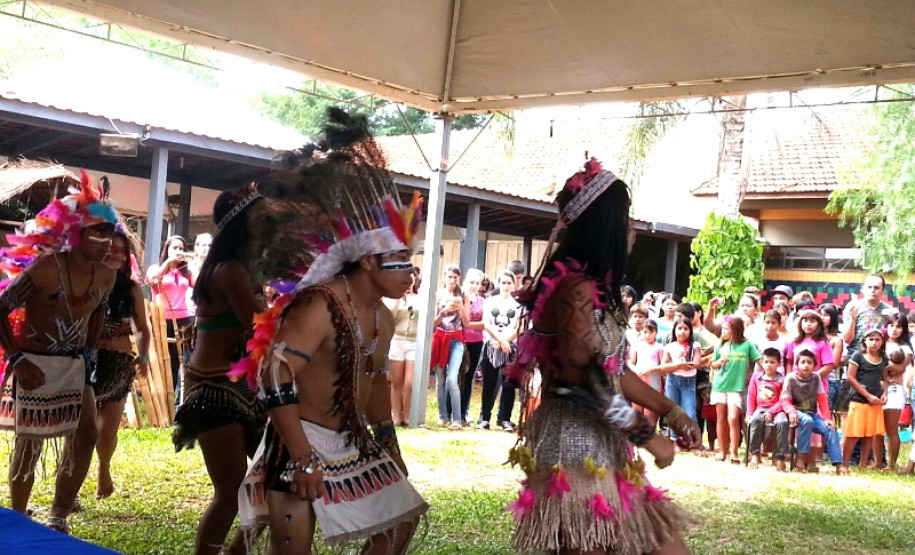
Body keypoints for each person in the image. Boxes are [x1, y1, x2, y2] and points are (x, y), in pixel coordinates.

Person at [235, 110, 427, 553]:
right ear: (366, 260)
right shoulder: (319, 305)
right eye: (400, 261)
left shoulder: (383, 315)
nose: (410, 274)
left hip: (353, 441)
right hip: (298, 440)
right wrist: (302, 455)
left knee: (399, 522)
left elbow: (376, 379)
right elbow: (274, 375)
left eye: (411, 263)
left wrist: (387, 441)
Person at [504, 159, 697, 554]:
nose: (633, 229)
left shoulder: (592, 291)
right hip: (574, 448)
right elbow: (577, 383)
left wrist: (672, 412)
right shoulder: (574, 291)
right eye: (625, 219)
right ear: (603, 227)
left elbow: (613, 372)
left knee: (667, 547)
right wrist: (648, 436)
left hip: (604, 443)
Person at [0, 167, 118, 534]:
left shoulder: (108, 275)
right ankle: (19, 518)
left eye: (110, 231)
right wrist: (17, 360)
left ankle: (59, 515)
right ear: (75, 233)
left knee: (87, 434)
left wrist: (90, 352)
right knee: (29, 445)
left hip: (73, 364)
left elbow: (97, 311)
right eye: (99, 231)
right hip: (33, 363)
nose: (108, 240)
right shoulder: (44, 269)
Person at [173, 184, 270, 555]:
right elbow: (259, 323)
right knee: (231, 494)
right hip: (214, 391)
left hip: (245, 388)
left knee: (273, 483)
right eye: (260, 218)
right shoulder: (227, 270)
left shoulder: (243, 267)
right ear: (241, 224)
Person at [92, 230, 151, 500]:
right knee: (82, 428)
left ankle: (103, 469)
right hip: (87, 361)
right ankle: (71, 480)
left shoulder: (130, 288)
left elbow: (142, 328)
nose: (115, 253)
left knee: (108, 429)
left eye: (120, 249)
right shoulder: (86, 280)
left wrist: (145, 354)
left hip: (118, 363)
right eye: (110, 247)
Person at [146, 235, 195, 402]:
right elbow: (153, 281)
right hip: (161, 319)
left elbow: (201, 284)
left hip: (183, 318)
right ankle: (162, 399)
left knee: (181, 360)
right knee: (163, 360)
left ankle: (178, 399)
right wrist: (168, 262)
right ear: (166, 249)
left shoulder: (187, 273)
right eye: (174, 248)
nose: (178, 251)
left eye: (181, 248)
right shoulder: (155, 268)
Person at [782, 350, 848, 474]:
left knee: (830, 429)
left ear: (814, 365)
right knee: (807, 421)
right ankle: (800, 458)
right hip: (796, 412)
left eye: (809, 363)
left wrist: (827, 418)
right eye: (803, 362)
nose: (806, 365)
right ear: (797, 364)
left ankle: (839, 464)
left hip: (811, 414)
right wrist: (791, 412)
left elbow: (822, 399)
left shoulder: (816, 377)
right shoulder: (790, 378)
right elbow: (784, 399)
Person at [476, 270, 523, 431]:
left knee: (508, 384)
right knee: (489, 382)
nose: (506, 286)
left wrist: (506, 341)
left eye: (509, 282)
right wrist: (499, 340)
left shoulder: (518, 304)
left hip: (510, 347)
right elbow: (487, 323)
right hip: (492, 345)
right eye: (503, 282)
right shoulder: (490, 302)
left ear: (513, 284)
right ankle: (484, 418)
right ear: (499, 283)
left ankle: (505, 419)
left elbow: (519, 327)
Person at [709, 316, 760, 463]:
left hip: (736, 388)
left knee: (733, 418)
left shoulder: (747, 345)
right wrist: (719, 362)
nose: (723, 331)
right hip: (719, 386)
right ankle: (722, 450)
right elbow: (712, 364)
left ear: (736, 330)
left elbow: (758, 359)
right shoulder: (721, 345)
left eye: (726, 328)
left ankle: (734, 451)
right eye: (723, 328)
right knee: (721, 419)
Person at [843, 327, 893, 470]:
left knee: (869, 434)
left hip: (876, 401)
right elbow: (851, 378)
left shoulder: (883, 359)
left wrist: (885, 394)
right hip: (859, 399)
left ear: (882, 341)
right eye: (871, 339)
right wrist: (867, 395)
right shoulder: (858, 356)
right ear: (864, 341)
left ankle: (862, 465)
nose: (874, 343)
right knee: (853, 434)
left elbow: (884, 379)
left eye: (877, 340)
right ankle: (844, 465)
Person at [432, 263, 469, 428]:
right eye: (449, 277)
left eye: (455, 277)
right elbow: (432, 323)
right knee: (440, 379)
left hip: (456, 341)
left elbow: (467, 321)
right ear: (444, 277)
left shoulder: (463, 295)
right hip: (440, 338)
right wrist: (444, 311)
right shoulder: (437, 295)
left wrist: (460, 305)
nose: (452, 280)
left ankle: (457, 418)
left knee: (452, 378)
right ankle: (443, 416)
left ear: (459, 278)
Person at [384, 266, 421, 427]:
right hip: (397, 340)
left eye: (411, 280)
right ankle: (396, 415)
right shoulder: (392, 297)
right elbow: (389, 317)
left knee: (409, 383)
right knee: (396, 381)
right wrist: (398, 298)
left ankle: (407, 415)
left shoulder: (420, 298)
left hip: (414, 341)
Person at [746, 348, 789, 470]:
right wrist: (749, 413)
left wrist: (772, 411)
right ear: (762, 363)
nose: (768, 365)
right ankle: (754, 454)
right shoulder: (756, 377)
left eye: (772, 362)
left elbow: (784, 399)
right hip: (760, 408)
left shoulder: (782, 380)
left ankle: (779, 456)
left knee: (782, 422)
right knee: (755, 420)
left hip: (778, 409)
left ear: (779, 364)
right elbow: (751, 396)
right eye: (766, 362)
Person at [660, 317, 702, 434]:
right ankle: (674, 439)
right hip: (672, 381)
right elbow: (663, 365)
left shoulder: (695, 345)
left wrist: (681, 365)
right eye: (679, 328)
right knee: (673, 411)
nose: (682, 331)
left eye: (686, 329)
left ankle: (694, 441)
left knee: (690, 412)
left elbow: (696, 363)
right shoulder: (669, 346)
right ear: (674, 330)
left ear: (690, 331)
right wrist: (679, 366)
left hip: (688, 382)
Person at [883, 314, 911, 470]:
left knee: (892, 429)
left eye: (898, 326)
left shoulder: (905, 348)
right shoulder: (879, 342)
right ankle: (878, 462)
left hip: (894, 390)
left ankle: (891, 464)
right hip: (877, 389)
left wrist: (880, 367)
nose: (894, 329)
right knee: (877, 429)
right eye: (891, 325)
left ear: (903, 329)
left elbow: (899, 368)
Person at [457, 268, 485, 424]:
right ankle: (451, 411)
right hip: (458, 340)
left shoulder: (483, 302)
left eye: (477, 283)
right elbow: (462, 320)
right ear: (465, 282)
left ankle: (463, 412)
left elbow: (484, 324)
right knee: (454, 377)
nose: (474, 285)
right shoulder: (459, 299)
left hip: (476, 342)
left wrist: (470, 325)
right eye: (471, 282)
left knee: (468, 378)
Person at [628, 319, 664, 427]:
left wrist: (652, 370)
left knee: (649, 415)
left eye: (650, 332)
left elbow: (663, 366)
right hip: (638, 383)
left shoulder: (659, 347)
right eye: (645, 332)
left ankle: (650, 441)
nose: (647, 335)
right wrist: (636, 370)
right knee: (636, 413)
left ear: (656, 333)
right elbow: (630, 363)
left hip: (653, 386)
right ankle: (636, 440)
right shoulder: (637, 346)